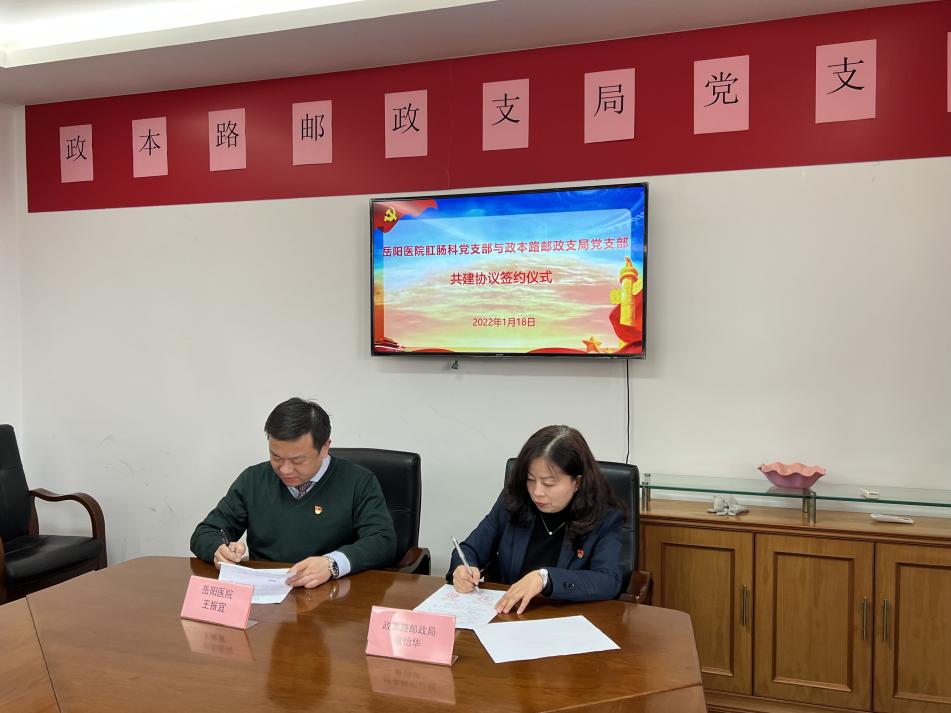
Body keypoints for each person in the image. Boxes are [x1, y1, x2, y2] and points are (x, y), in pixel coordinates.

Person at [190, 397, 397, 588]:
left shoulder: (358, 481)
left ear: (325, 447)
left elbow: (382, 541)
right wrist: (219, 550)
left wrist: (332, 563)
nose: (285, 469)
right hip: (267, 595)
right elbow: (205, 532)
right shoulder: (253, 479)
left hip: (331, 594)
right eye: (276, 457)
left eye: (297, 460)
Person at [448, 425, 626, 614]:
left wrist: (545, 579)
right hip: (510, 616)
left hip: (567, 619)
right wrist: (461, 568)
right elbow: (469, 549)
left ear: (578, 482)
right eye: (530, 479)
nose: (537, 492)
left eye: (549, 483)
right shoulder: (513, 501)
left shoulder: (605, 517)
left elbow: (608, 580)